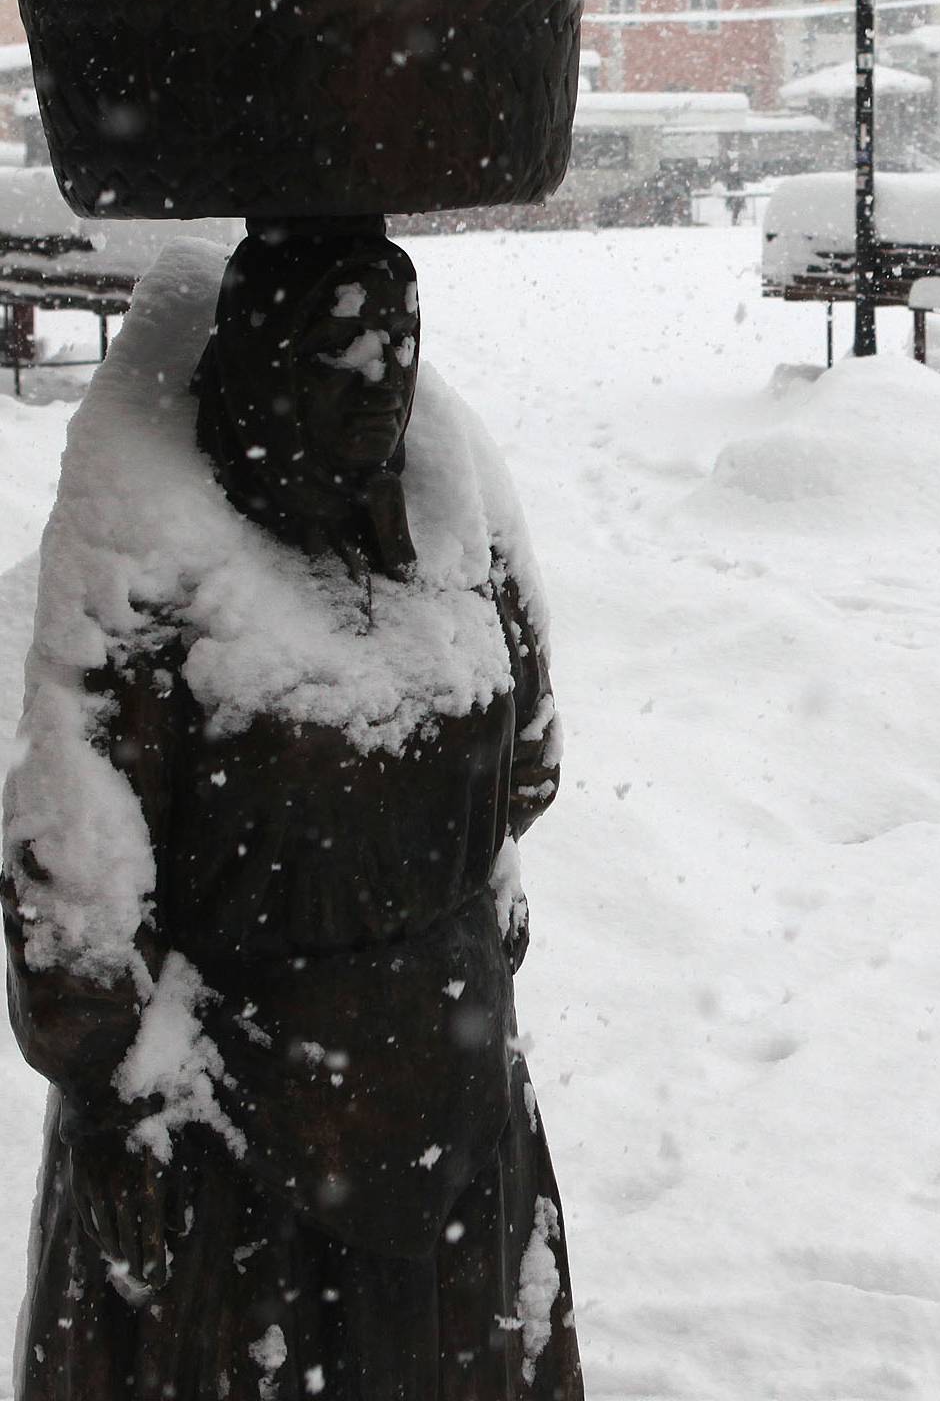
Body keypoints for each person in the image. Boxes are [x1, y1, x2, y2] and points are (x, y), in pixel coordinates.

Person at [3, 219, 583, 1398]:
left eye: (399, 339)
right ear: (262, 361)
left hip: (452, 1102)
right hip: (236, 1131)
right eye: (338, 346)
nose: (379, 375)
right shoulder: (159, 561)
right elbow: (75, 884)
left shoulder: (449, 510)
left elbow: (527, 757)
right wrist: (124, 1100)